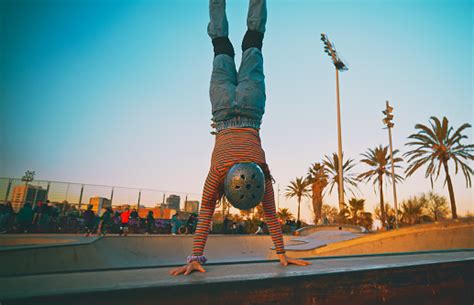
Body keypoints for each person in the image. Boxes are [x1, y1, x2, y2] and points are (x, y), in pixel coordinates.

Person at [170, 0, 310, 276]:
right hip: (222, 109)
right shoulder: (217, 175)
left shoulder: (262, 176)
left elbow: (270, 215)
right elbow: (207, 212)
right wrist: (196, 255)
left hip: (250, 106)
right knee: (221, 45)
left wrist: (282, 252)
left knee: (253, 43)